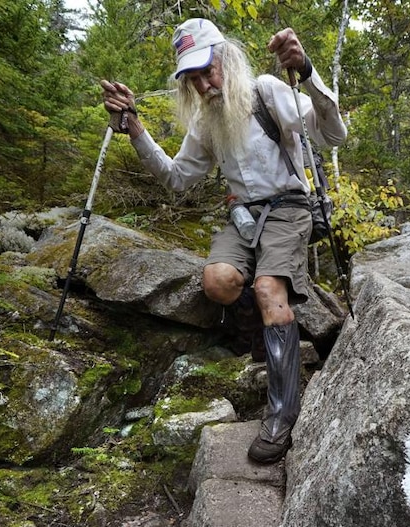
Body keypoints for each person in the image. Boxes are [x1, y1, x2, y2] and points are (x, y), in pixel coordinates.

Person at [101, 18, 347, 463]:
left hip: (290, 207)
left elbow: (333, 135)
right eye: (192, 78)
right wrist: (134, 129)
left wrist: (307, 71)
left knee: (269, 288)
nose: (203, 83)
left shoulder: (269, 90)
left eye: (207, 70)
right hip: (243, 217)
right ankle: (261, 339)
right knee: (217, 280)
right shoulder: (206, 122)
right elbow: (177, 178)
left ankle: (282, 412)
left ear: (227, 59)